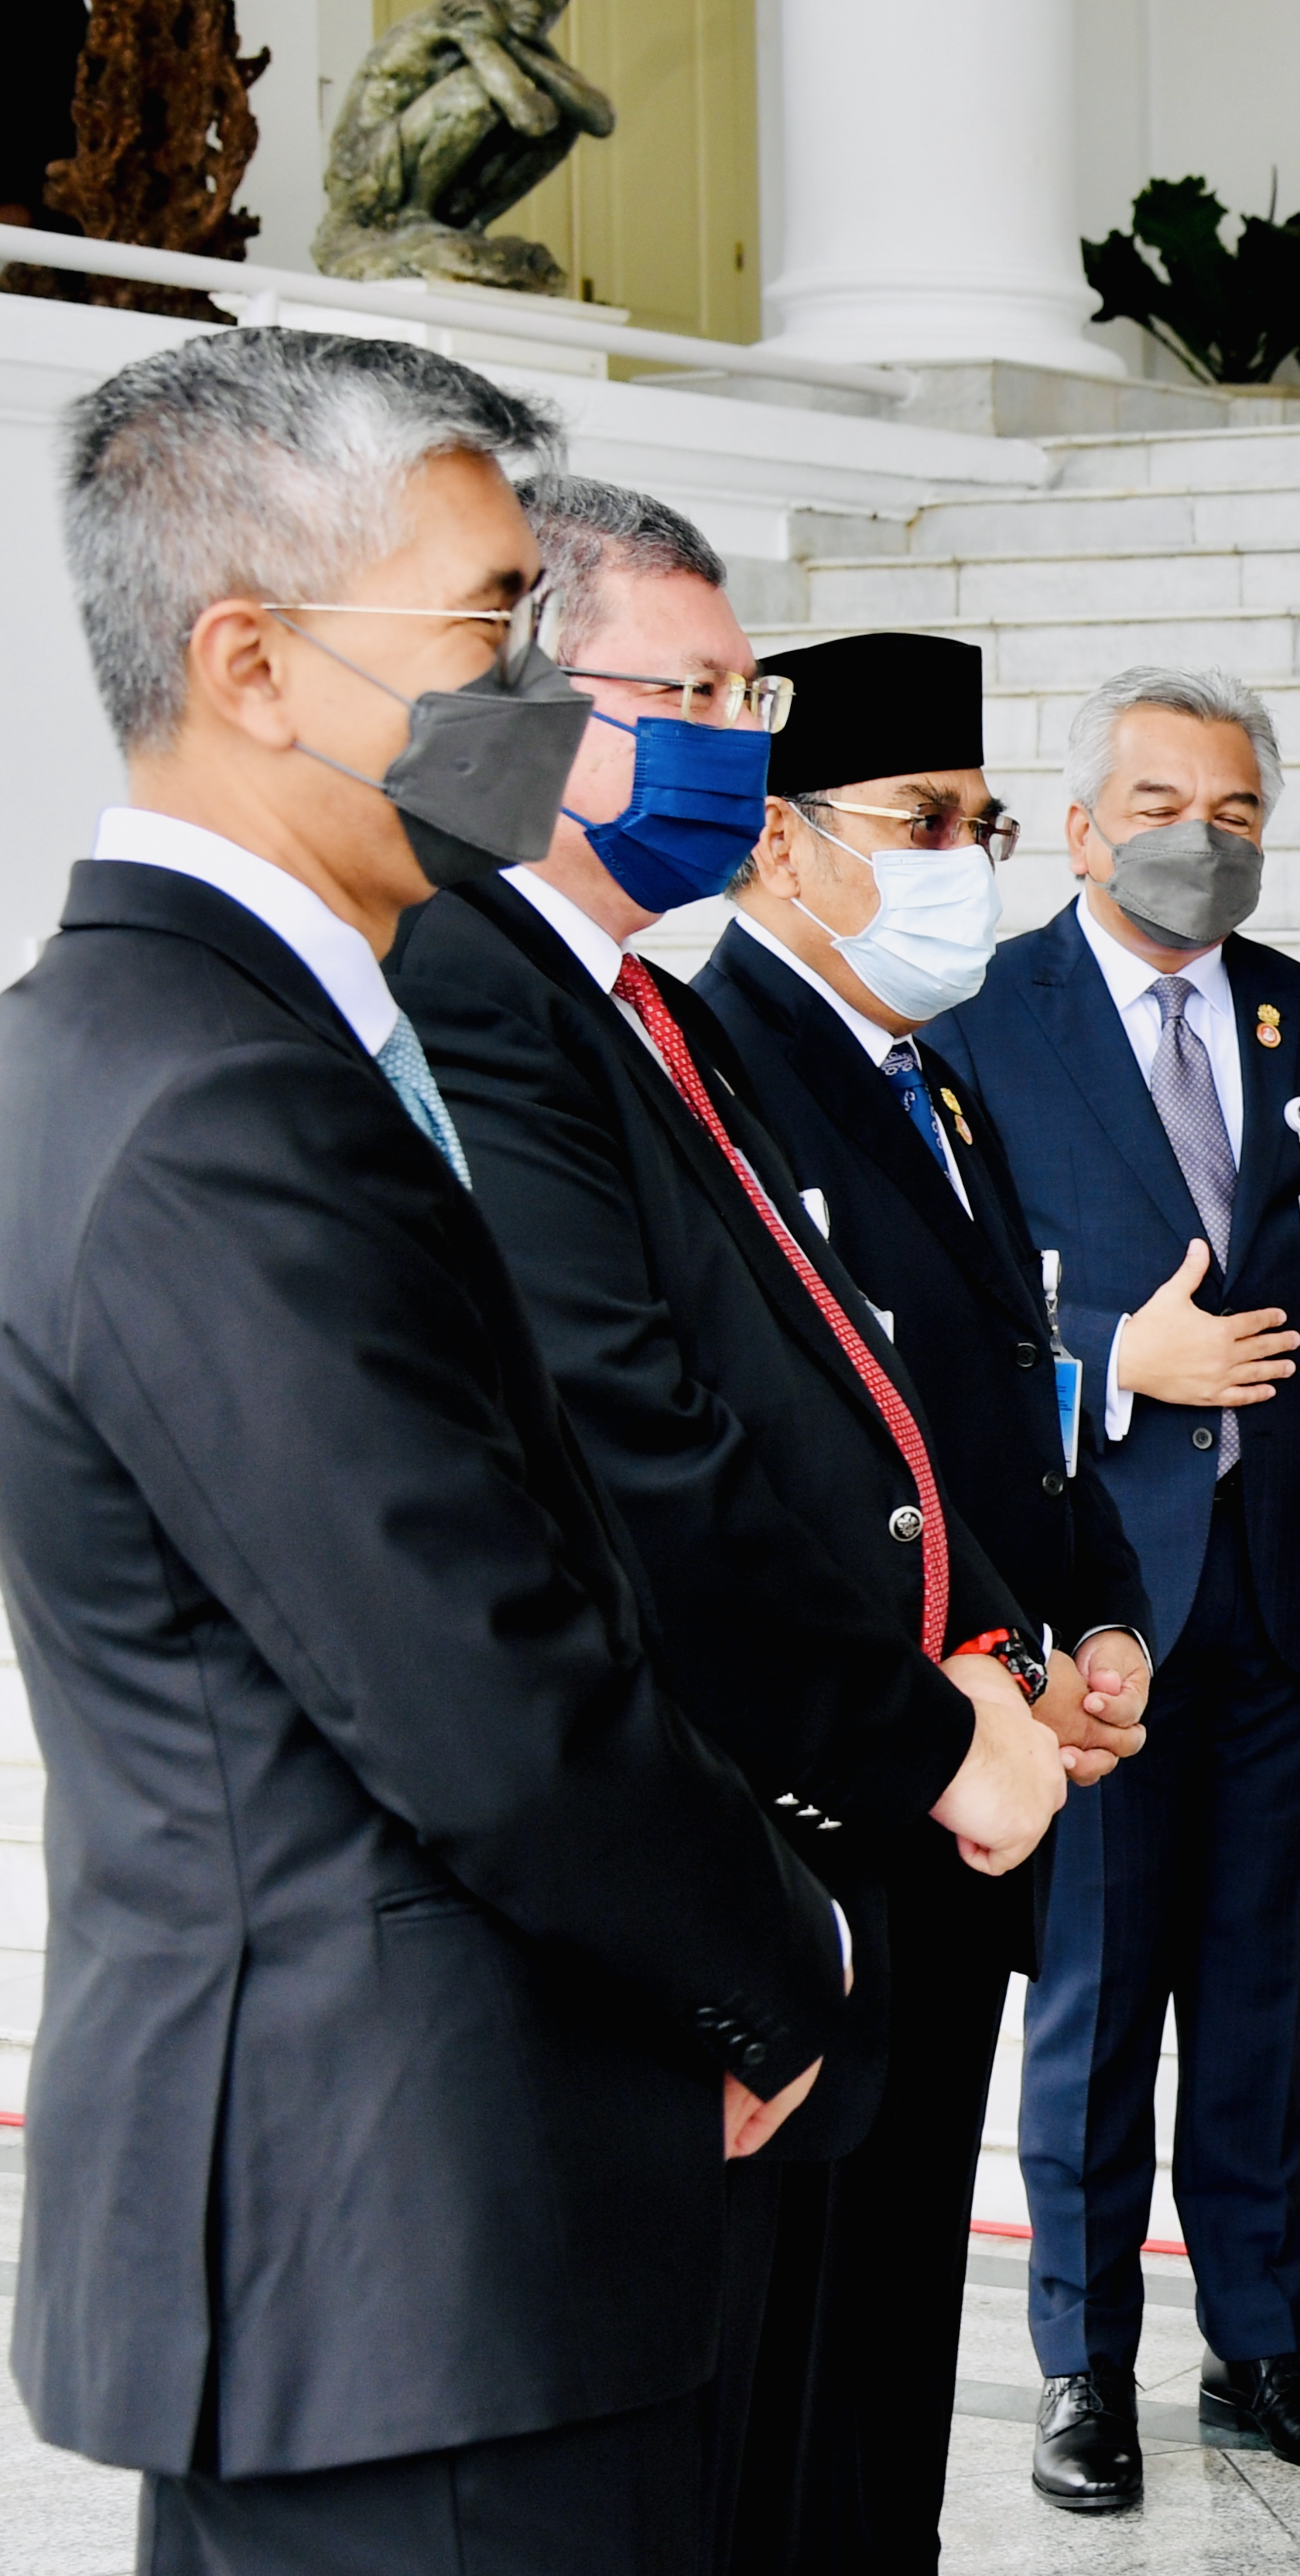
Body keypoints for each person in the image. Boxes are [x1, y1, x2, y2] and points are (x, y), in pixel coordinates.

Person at [5, 327, 845, 2574]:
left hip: (423, 2234)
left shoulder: (213, 1033)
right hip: (400, 2240)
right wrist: (779, 1955)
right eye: (486, 628)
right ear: (254, 661)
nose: (538, 702)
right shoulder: (211, 1103)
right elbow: (481, 1689)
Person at [385, 477, 1102, 2573]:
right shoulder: (474, 994)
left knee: (806, 2448)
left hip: (826, 1817)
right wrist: (921, 1732)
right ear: (529, 705)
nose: (732, 735)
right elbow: (641, 1447)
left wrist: (998, 1654)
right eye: (685, 692)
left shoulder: (647, 1005)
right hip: (710, 1841)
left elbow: (837, 1387)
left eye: (740, 689)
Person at [922, 663, 1300, 2509]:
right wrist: (1110, 1358)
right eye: (1162, 802)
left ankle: (1260, 2337)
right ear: (1080, 826)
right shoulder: (977, 1021)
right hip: (1098, 1604)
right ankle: (1082, 2360)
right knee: (1093, 1988)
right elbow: (941, 1319)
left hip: (1285, 1590)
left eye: (1235, 810)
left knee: (1257, 1984)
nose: (1200, 838)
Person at [693, 627, 1159, 2572]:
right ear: (784, 846)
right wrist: (960, 1689)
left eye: (979, 822)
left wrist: (1102, 1614)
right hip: (836, 1799)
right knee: (784, 2353)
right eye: (920, 822)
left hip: (974, 1793)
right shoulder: (717, 1068)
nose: (966, 859)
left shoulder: (926, 1083)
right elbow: (755, 1463)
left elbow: (1005, 1398)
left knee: (891, 2325)